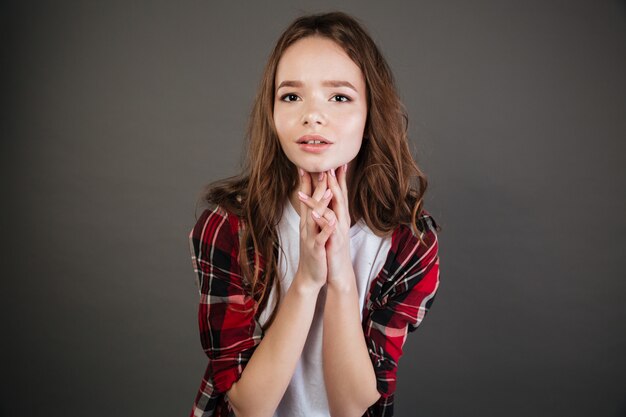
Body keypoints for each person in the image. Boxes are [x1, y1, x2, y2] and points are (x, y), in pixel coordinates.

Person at [188, 11, 441, 417]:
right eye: (291, 96)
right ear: (272, 113)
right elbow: (248, 405)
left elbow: (352, 408)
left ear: (370, 111)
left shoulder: (411, 242)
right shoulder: (229, 226)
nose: (312, 115)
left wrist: (340, 275)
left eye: (339, 97)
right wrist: (306, 280)